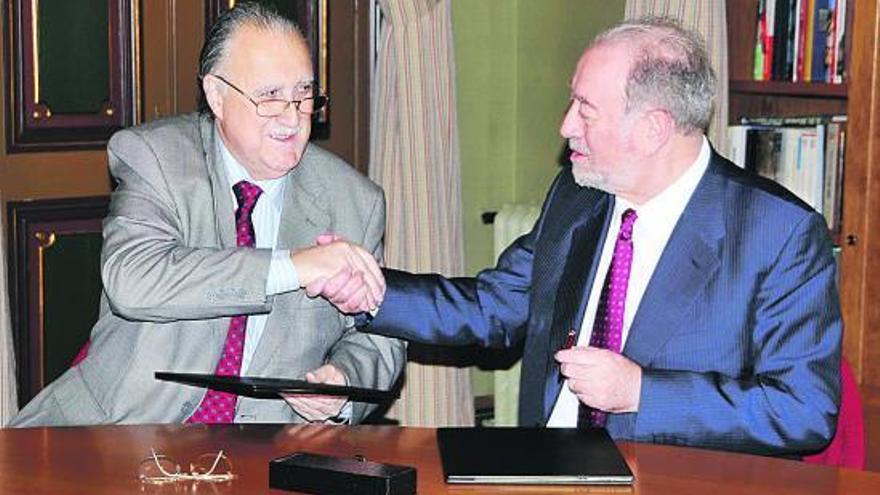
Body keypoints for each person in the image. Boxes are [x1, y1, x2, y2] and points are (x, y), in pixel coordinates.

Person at [318, 17, 842, 456]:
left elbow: (803, 411)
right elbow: (492, 306)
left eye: (585, 110)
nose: (566, 125)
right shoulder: (578, 196)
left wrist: (641, 392)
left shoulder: (778, 233)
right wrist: (375, 292)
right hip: (545, 468)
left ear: (654, 129)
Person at [11, 2, 404, 427]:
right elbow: (133, 278)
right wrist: (293, 267)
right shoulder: (156, 159)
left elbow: (380, 335)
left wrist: (342, 384)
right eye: (270, 96)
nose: (292, 117)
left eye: (304, 94)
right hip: (117, 431)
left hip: (267, 449)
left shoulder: (354, 201)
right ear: (216, 94)